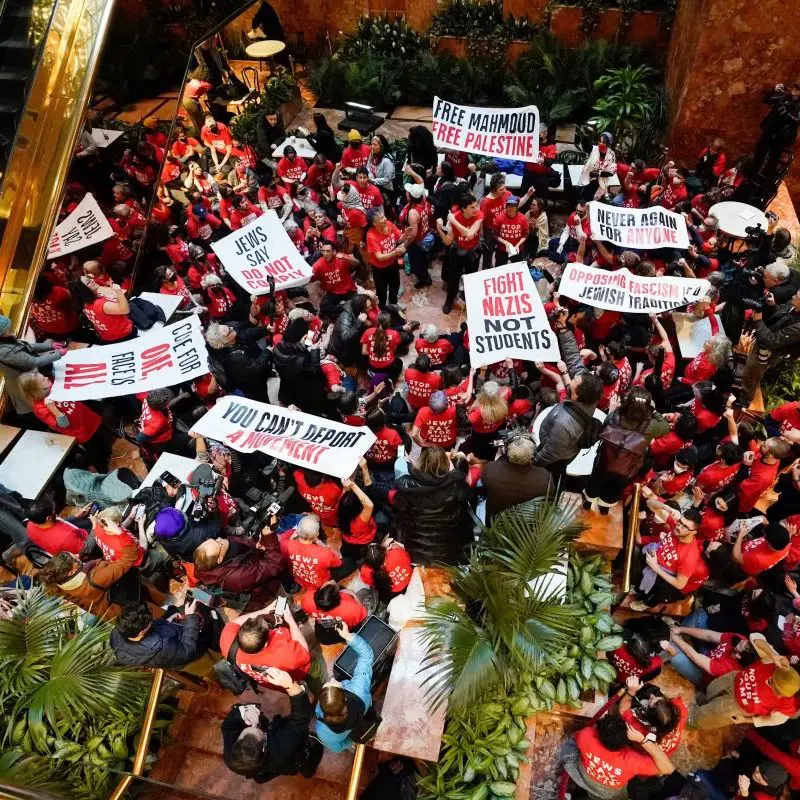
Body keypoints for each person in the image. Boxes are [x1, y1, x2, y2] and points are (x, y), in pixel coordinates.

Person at [221, 668, 322, 783]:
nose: (255, 723)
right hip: (292, 761)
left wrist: (245, 712)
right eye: (257, 728)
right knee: (305, 761)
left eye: (249, 726)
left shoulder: (231, 757)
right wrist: (290, 686)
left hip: (262, 769)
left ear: (237, 741)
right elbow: (300, 719)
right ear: (264, 744)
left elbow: (228, 726)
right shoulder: (282, 746)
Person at [533, 321, 604, 472]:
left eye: (574, 382)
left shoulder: (564, 424)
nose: (571, 379)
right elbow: (574, 360)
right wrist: (564, 330)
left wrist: (533, 463)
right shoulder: (589, 390)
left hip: (557, 457)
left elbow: (549, 454)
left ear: (577, 395)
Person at [561, 714, 674, 798]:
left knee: (571, 745)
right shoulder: (632, 761)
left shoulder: (586, 735)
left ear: (597, 733)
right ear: (625, 742)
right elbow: (668, 769)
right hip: (609, 793)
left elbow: (582, 733)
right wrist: (643, 740)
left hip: (582, 776)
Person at [393, 446, 472, 565]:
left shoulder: (406, 486)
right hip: (446, 552)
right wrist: (458, 461)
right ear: (447, 465)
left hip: (415, 550)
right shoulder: (456, 486)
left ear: (421, 461)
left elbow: (399, 517)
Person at [219, 603, 311, 691]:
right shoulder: (284, 654)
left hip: (269, 682)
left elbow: (236, 622)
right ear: (266, 644)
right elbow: (304, 650)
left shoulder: (226, 638)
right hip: (291, 676)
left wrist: (265, 610)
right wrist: (291, 621)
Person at [691, 658, 800, 729]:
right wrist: (773, 655)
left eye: (783, 695)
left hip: (736, 706)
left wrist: (746, 720)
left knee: (704, 718)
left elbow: (771, 721)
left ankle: (687, 723)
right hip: (733, 679)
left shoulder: (789, 706)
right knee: (711, 690)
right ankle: (704, 702)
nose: (779, 696)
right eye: (777, 690)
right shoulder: (776, 662)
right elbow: (755, 638)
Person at [315, 621, 374, 752]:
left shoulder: (322, 732)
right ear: (345, 698)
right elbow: (367, 656)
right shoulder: (359, 690)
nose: (331, 679)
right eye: (333, 684)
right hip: (364, 706)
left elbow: (336, 748)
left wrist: (348, 744)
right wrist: (347, 636)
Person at [110, 600, 207, 668]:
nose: (152, 621)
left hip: (174, 642)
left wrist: (167, 621)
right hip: (191, 651)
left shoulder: (120, 631)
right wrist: (191, 618)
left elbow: (153, 627)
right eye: (150, 622)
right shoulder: (161, 648)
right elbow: (188, 651)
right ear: (141, 632)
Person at [193, 531, 284, 603]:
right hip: (265, 589)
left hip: (256, 563)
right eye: (219, 544)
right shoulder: (238, 577)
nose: (220, 538)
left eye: (215, 539)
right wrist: (270, 539)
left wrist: (254, 544)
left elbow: (232, 540)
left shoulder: (204, 561)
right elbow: (275, 565)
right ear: (220, 559)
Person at [0, 315, 63, 418]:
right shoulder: (3, 351)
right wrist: (57, 354)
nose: (11, 328)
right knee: (40, 406)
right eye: (8, 328)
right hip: (25, 384)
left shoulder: (6, 340)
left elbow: (26, 346)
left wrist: (49, 346)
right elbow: (32, 362)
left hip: (30, 378)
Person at [482, 432, 553, 521]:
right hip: (524, 529)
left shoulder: (491, 468)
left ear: (507, 451)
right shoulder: (544, 477)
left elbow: (484, 486)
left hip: (494, 525)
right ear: (533, 454)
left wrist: (498, 460)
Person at [204, 322, 273, 402]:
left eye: (229, 327)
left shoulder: (233, 337)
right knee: (261, 401)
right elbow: (256, 368)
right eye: (229, 330)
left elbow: (247, 334)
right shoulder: (234, 359)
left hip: (253, 368)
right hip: (251, 385)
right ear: (225, 341)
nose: (232, 328)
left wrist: (265, 329)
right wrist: (267, 352)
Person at [441, 193, 484, 315]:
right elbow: (448, 241)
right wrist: (441, 228)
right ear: (463, 208)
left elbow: (470, 234)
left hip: (473, 250)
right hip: (458, 249)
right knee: (453, 277)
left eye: (476, 206)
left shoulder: (479, 214)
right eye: (472, 207)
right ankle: (450, 300)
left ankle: (469, 299)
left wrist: (454, 221)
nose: (476, 209)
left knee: (472, 277)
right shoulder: (455, 217)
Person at [281, 514, 344, 590]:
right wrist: (318, 541)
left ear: (297, 531)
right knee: (348, 562)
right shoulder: (324, 553)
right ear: (317, 534)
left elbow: (283, 541)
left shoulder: (285, 544)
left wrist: (292, 538)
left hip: (299, 579)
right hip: (320, 583)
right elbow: (338, 561)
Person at [365, 208, 405, 309]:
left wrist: (406, 236)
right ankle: (382, 308)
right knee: (381, 290)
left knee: (395, 285)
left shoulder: (389, 224)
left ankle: (393, 304)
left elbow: (399, 238)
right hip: (379, 269)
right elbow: (379, 257)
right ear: (374, 223)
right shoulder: (371, 236)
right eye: (382, 218)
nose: (385, 218)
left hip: (393, 264)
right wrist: (395, 252)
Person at [24, 497, 89, 556]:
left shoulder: (31, 524)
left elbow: (59, 523)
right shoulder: (65, 537)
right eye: (53, 512)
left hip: (72, 539)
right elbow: (87, 549)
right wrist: (95, 527)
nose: (55, 513)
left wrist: (76, 516)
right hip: (85, 547)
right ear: (48, 518)